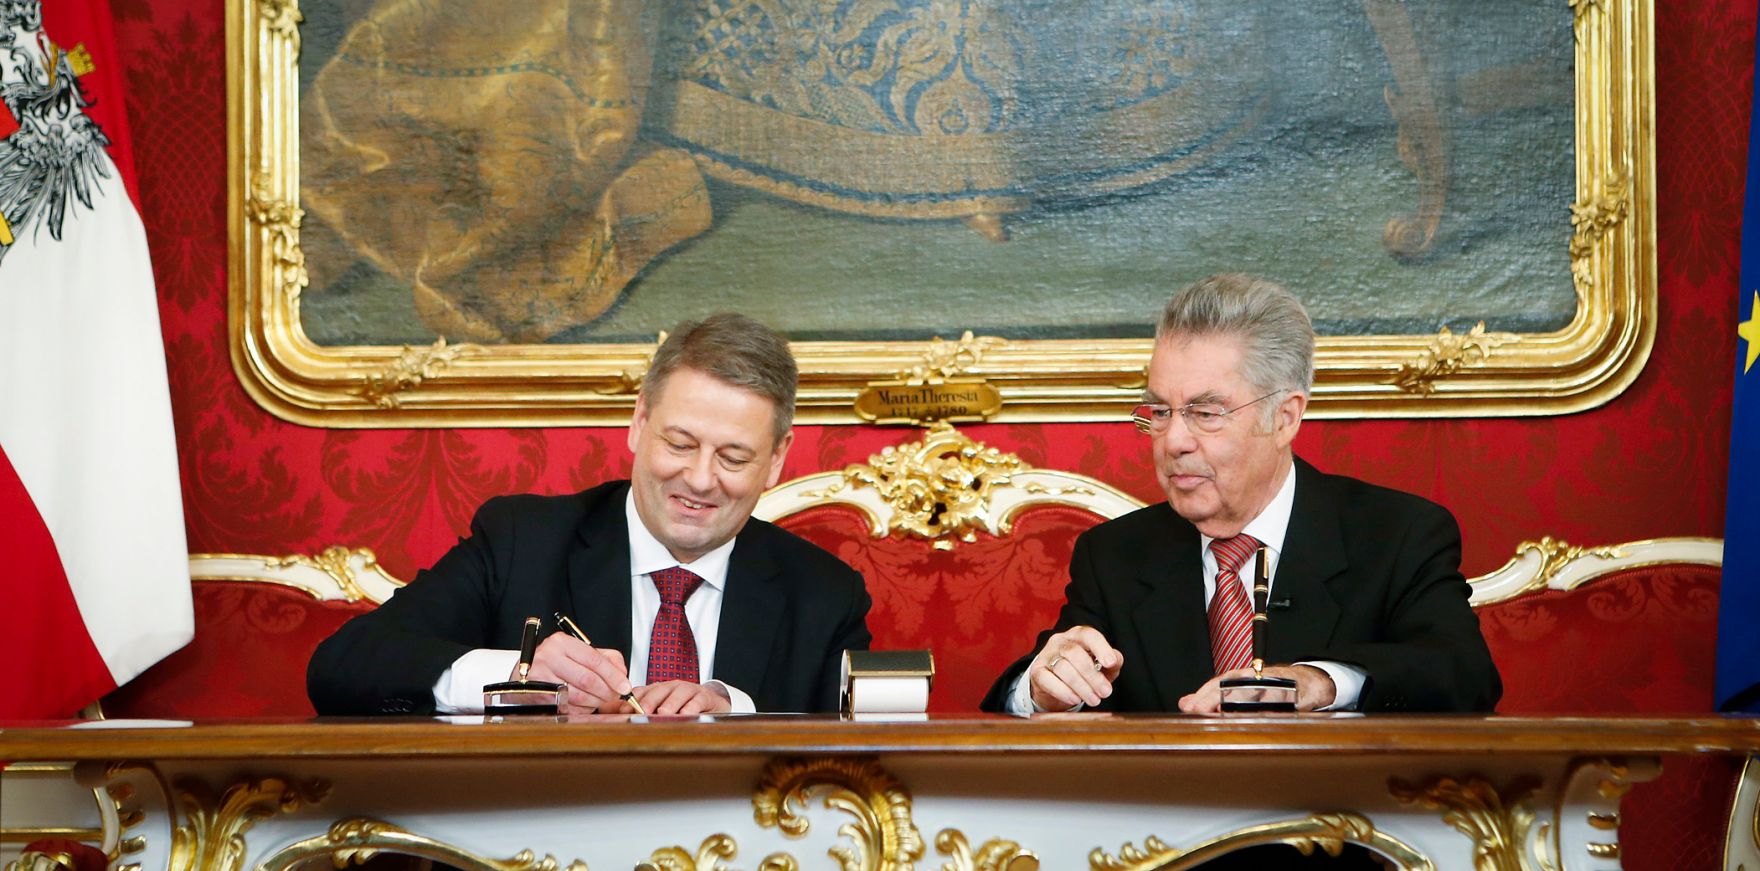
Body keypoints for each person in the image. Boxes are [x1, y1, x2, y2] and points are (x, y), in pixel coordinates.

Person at [981, 274, 1500, 715]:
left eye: (1206, 413)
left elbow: (1463, 673)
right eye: (1159, 412)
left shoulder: (1397, 535)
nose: (1174, 442)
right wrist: (1043, 690)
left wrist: (1320, 683)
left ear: (1285, 417)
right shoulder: (1115, 555)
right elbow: (1033, 686)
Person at [308, 313, 872, 716]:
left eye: (734, 458)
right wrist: (518, 676)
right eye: (679, 444)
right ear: (638, 424)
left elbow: (863, 758)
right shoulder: (521, 543)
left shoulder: (825, 594)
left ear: (776, 460)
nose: (701, 479)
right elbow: (344, 666)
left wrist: (735, 709)